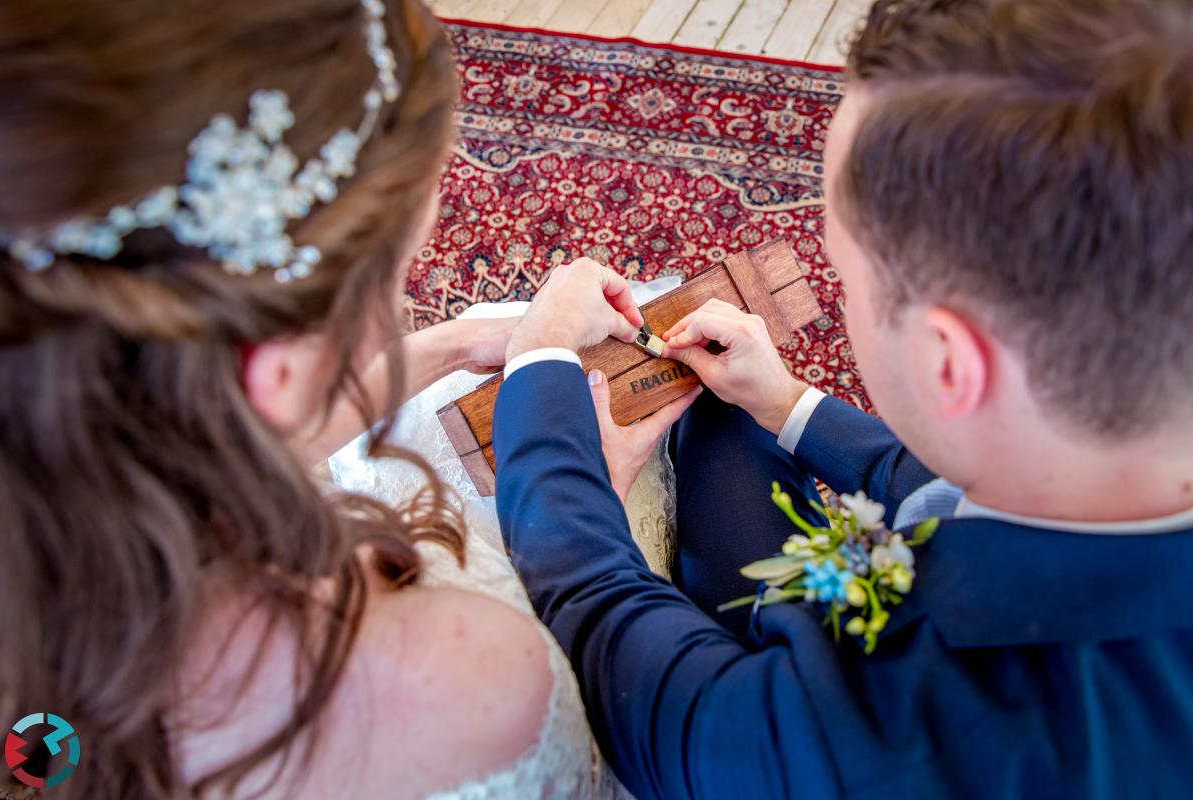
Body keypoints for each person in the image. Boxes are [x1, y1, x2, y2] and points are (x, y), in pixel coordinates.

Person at [490, 0, 1193, 797]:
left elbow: (635, 676)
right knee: (719, 411)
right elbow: (957, 487)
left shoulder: (900, 730)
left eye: (845, 275)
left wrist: (539, 356)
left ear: (947, 362)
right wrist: (785, 401)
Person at [0, 1, 621, 797]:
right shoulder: (476, 683)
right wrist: (589, 500)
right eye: (396, 275)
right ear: (277, 371)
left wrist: (455, 346)